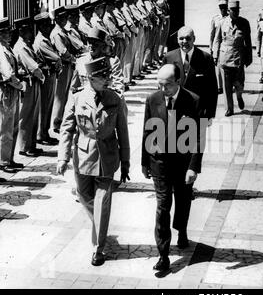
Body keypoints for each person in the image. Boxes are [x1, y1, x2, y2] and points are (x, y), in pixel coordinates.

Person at [57, 56, 130, 267]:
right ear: (90, 78)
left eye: (108, 75)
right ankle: (99, 224)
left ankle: (98, 248)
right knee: (83, 195)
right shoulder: (77, 98)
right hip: (83, 157)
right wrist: (63, 157)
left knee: (102, 202)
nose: (107, 80)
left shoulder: (115, 98)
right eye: (102, 77)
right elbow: (67, 128)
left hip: (107, 158)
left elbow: (122, 132)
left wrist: (125, 161)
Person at [141, 64, 203, 274]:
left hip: (183, 164)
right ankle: (163, 254)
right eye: (160, 84)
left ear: (178, 82)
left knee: (183, 200)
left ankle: (182, 229)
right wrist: (144, 162)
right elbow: (147, 131)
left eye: (167, 85)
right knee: (163, 206)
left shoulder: (193, 100)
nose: (163, 88)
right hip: (159, 163)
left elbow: (198, 138)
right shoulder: (153, 99)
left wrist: (193, 167)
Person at [163, 26, 218, 121]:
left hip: (197, 114)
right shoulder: (169, 58)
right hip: (174, 113)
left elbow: (212, 88)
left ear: (194, 39)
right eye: (181, 38)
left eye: (188, 38)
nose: (184, 41)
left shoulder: (206, 58)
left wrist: (209, 114)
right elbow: (162, 86)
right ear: (177, 40)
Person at [212, 0, 252, 117]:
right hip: (225, 57)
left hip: (239, 57)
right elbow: (217, 39)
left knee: (239, 83)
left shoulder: (244, 23)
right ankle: (229, 108)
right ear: (229, 11)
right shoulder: (222, 22)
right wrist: (215, 55)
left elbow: (248, 42)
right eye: (233, 10)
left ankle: (239, 96)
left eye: (237, 10)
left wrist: (249, 57)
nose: (236, 12)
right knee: (227, 86)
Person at [13, 17, 45, 157]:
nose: (30, 32)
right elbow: (34, 67)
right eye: (26, 30)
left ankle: (31, 144)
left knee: (33, 114)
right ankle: (24, 146)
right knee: (26, 116)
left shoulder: (27, 44)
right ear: (20, 31)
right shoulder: (21, 47)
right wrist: (42, 75)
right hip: (27, 82)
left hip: (33, 81)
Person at [0, 18, 26, 174]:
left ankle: (9, 158)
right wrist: (20, 84)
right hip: (7, 90)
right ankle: (3, 161)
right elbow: (8, 74)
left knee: (13, 126)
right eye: (5, 32)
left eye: (9, 31)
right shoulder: (1, 50)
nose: (9, 34)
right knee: (5, 128)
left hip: (12, 90)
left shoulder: (6, 48)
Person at [33, 12, 62, 146]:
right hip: (46, 75)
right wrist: (58, 59)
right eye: (46, 25)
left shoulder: (46, 38)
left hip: (50, 74)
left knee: (48, 105)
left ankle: (44, 132)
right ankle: (41, 134)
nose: (49, 27)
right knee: (44, 106)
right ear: (40, 26)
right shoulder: (41, 40)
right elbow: (56, 57)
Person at [50, 6, 76, 133]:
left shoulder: (63, 31)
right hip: (63, 66)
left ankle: (61, 120)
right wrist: (73, 58)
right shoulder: (56, 33)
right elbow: (63, 51)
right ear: (57, 19)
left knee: (66, 94)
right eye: (62, 18)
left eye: (66, 17)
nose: (65, 20)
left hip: (68, 65)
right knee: (60, 95)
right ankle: (56, 122)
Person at [210, 0, 229, 95]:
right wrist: (211, 47)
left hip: (226, 45)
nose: (223, 9)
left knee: (225, 67)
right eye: (221, 7)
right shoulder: (215, 18)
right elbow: (212, 35)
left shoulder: (229, 18)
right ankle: (219, 86)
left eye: (224, 7)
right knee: (217, 66)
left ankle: (226, 85)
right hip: (217, 45)